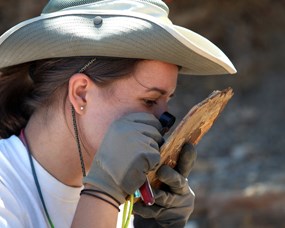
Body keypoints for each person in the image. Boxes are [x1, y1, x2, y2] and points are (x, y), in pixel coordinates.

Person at [0, 0, 236, 227]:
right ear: (81, 93)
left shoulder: (118, 195)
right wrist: (103, 193)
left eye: (166, 101)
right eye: (150, 100)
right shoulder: (6, 185)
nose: (166, 120)